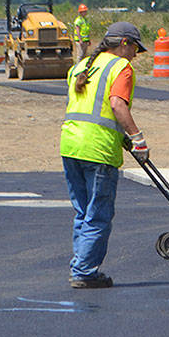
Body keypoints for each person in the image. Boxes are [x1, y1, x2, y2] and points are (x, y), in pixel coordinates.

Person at [60, 21, 148, 288]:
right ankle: (84, 272)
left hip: (71, 145)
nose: (135, 55)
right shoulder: (121, 67)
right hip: (98, 150)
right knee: (98, 214)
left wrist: (123, 137)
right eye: (134, 48)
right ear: (124, 44)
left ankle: (81, 265)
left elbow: (91, 109)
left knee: (83, 211)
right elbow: (117, 105)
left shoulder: (81, 67)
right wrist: (137, 139)